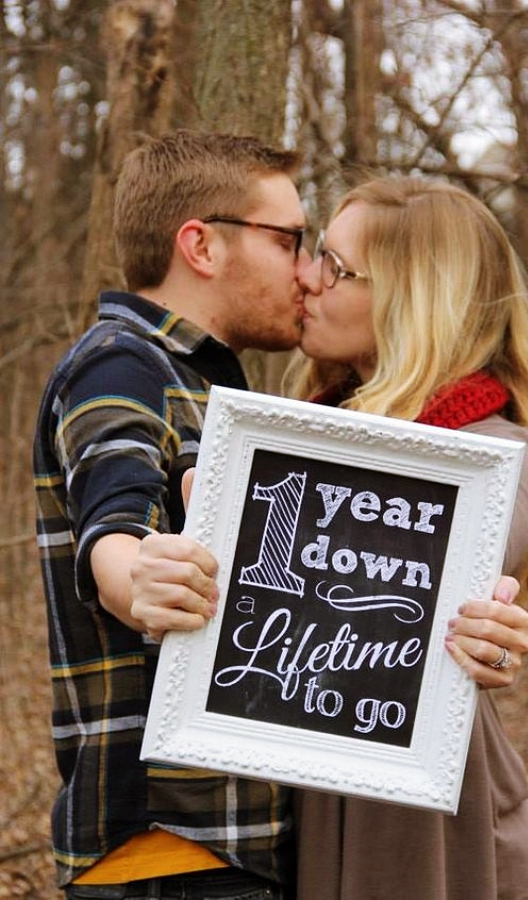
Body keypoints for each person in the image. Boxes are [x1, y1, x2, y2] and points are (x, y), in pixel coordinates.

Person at [287, 175, 528, 900]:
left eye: (335, 265)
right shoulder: (297, 428)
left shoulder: (496, 455)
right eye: (313, 254)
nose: (305, 277)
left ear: (412, 295)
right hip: (301, 790)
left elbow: (404, 592)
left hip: (425, 825)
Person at [33, 129, 309, 900]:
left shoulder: (210, 386)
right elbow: (112, 522)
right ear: (202, 246)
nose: (306, 267)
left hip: (231, 847)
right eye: (290, 238)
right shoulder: (122, 362)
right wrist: (133, 575)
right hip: (166, 851)